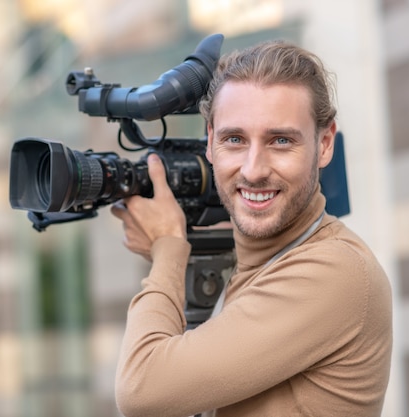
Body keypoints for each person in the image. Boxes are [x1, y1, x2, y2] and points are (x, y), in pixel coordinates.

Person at [110, 39, 393, 417]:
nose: (253, 169)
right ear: (210, 142)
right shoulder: (261, 264)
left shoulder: (335, 270)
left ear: (325, 144)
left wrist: (167, 247)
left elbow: (141, 389)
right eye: (234, 139)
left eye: (280, 141)